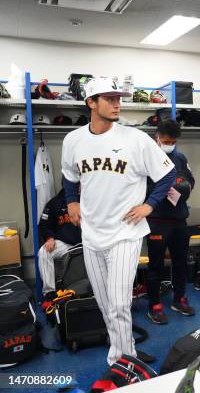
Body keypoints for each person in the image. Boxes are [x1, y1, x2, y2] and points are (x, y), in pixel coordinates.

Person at [61, 77, 176, 366]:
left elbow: (167, 173)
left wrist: (149, 205)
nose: (117, 104)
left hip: (126, 232)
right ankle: (127, 353)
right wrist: (71, 201)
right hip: (91, 233)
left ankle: (122, 362)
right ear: (91, 103)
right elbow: (69, 176)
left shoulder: (135, 139)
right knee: (105, 305)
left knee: (120, 304)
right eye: (109, 98)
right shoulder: (73, 140)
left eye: (118, 98)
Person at [145, 119, 195, 324]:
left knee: (181, 262)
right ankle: (154, 305)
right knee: (156, 265)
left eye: (173, 141)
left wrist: (185, 187)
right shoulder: (145, 157)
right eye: (166, 140)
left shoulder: (180, 157)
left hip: (179, 219)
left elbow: (191, 180)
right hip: (156, 220)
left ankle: (179, 299)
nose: (169, 144)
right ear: (157, 137)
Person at [38, 186, 82, 301]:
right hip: (66, 243)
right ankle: (49, 293)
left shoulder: (92, 199)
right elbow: (44, 225)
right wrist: (50, 238)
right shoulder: (55, 202)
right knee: (44, 251)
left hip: (89, 243)